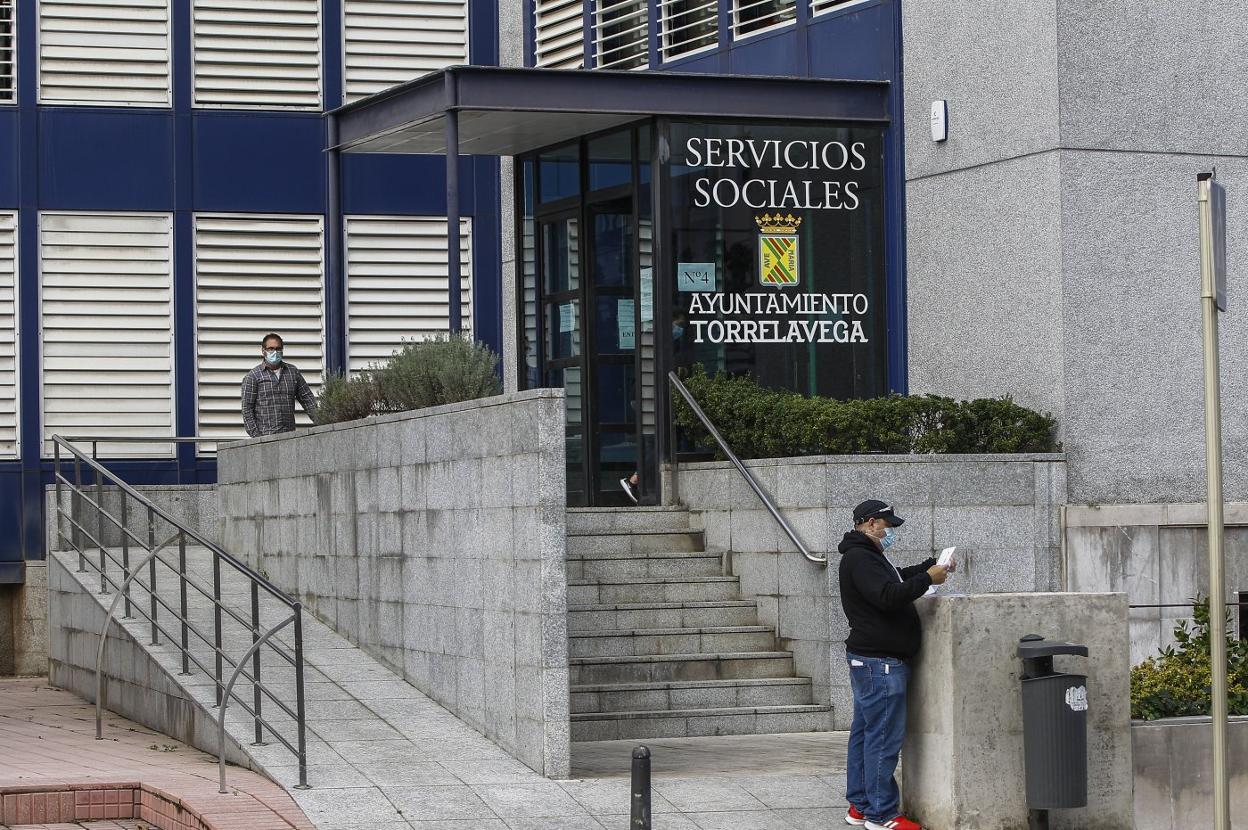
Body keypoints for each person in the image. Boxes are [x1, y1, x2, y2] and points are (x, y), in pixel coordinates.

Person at [839, 499, 953, 830]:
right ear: (872, 523)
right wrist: (926, 579)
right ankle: (882, 814)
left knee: (865, 734)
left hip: (871, 661)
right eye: (889, 526)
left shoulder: (866, 556)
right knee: (882, 738)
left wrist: (930, 567)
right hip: (880, 663)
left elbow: (895, 579)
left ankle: (860, 805)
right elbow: (889, 596)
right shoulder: (861, 558)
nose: (892, 532)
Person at [241, 333, 317, 438]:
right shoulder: (253, 377)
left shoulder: (292, 372)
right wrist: (257, 438)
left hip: (289, 436)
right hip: (265, 437)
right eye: (271, 349)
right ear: (263, 351)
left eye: (278, 349)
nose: (275, 352)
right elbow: (247, 410)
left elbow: (308, 399)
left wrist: (323, 422)